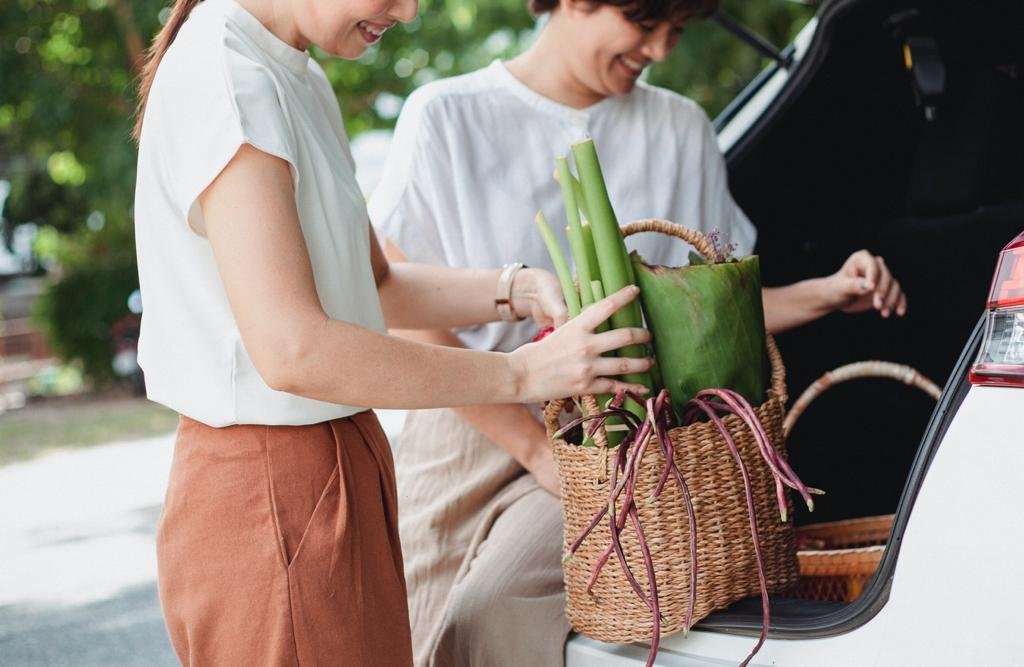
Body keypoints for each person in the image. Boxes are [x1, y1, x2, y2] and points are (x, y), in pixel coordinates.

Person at [368, 0, 908, 664]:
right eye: (644, 24)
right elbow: (403, 310)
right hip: (465, 423)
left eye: (676, 32)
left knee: (488, 619)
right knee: (417, 636)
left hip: (616, 439)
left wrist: (830, 292)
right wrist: (533, 449)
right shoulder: (446, 117)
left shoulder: (678, 128)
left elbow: (708, 312)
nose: (659, 51)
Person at [131, 0, 654, 664]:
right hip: (270, 489)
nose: (406, 12)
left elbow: (372, 284)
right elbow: (294, 349)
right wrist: (524, 374)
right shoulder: (227, 79)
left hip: (337, 466)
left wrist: (517, 288)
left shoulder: (294, 73)